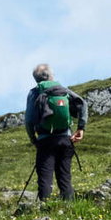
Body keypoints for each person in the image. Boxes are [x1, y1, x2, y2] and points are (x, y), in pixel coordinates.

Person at [24, 63, 86, 201]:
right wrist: (81, 128)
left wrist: (33, 139)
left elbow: (28, 120)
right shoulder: (62, 90)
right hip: (65, 139)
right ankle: (69, 206)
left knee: (45, 176)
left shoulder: (34, 93)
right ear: (51, 75)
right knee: (64, 176)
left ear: (36, 79)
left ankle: (45, 208)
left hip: (45, 141)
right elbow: (82, 103)